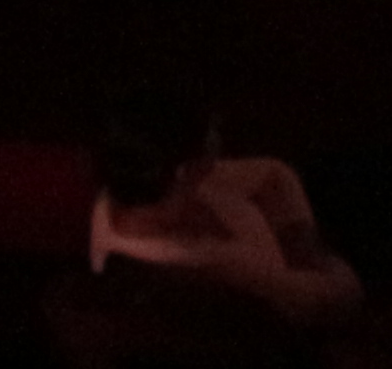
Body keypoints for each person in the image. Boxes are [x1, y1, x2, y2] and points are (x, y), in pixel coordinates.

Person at [89, 87, 368, 329]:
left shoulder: (146, 185)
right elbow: (342, 296)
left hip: (301, 258)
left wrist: (301, 246)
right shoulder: (210, 273)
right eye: (212, 134)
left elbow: (273, 174)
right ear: (187, 169)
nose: (219, 138)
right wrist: (315, 260)